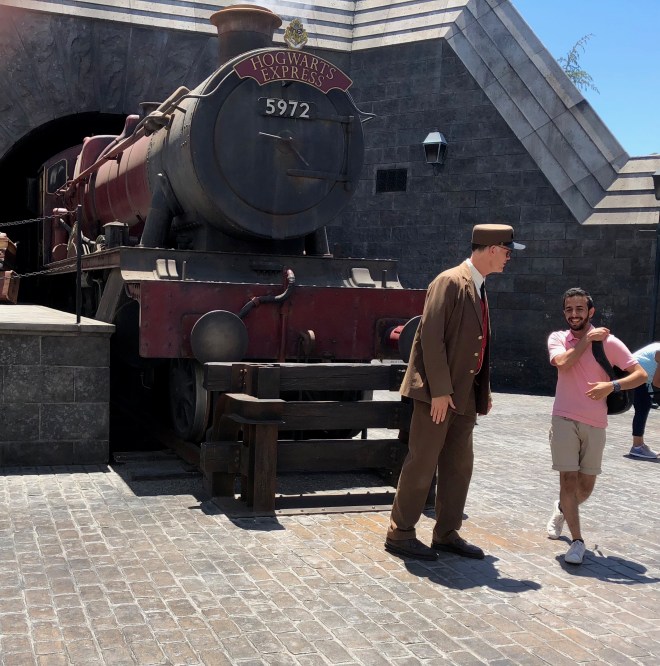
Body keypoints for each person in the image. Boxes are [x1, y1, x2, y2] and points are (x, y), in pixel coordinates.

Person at [385, 223, 525, 561]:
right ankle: (400, 533)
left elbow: (478, 345)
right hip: (438, 395)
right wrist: (439, 391)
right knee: (423, 463)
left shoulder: (478, 286)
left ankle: (446, 533)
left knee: (458, 467)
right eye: (507, 251)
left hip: (464, 396)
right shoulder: (449, 281)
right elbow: (430, 337)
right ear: (493, 249)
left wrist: (482, 390)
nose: (508, 258)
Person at [546, 287, 647, 565]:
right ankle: (577, 541)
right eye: (569, 309)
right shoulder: (558, 338)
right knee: (568, 480)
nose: (574, 314)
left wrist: (612, 386)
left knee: (585, 487)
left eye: (580, 309)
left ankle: (561, 508)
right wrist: (586, 341)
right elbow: (563, 363)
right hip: (563, 418)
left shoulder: (609, 343)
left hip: (595, 422)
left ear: (590, 311)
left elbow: (640, 374)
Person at [629, 343, 660, 459]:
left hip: (641, 378)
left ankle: (638, 445)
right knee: (642, 408)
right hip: (634, 375)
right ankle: (637, 447)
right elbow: (657, 382)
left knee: (643, 407)